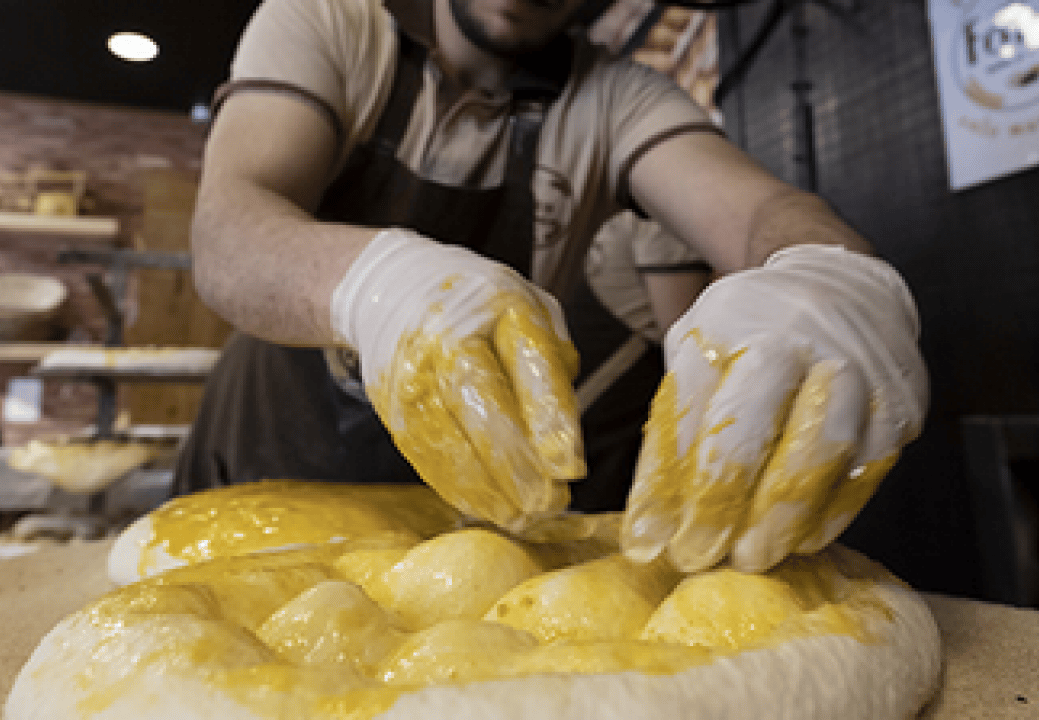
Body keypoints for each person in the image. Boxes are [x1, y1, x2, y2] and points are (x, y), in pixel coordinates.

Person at [173, 0, 928, 574]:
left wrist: (828, 273)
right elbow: (231, 232)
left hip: (472, 470)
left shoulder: (617, 98)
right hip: (274, 445)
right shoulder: (332, 21)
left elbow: (764, 210)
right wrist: (381, 288)